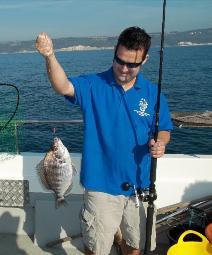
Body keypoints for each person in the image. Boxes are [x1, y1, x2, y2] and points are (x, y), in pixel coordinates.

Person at [35, 27, 173, 255]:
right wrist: (50, 56)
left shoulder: (152, 93)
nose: (124, 68)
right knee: (96, 248)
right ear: (115, 52)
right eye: (120, 61)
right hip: (101, 186)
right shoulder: (93, 85)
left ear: (145, 60)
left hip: (140, 186)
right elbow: (62, 86)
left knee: (135, 243)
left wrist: (161, 142)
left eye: (132, 64)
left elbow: (164, 128)